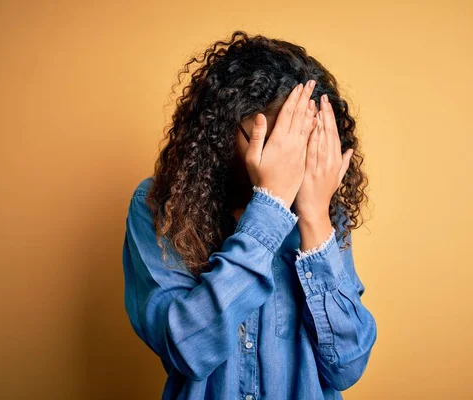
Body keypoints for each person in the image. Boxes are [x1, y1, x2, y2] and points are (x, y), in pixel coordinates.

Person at [122, 30, 377, 400]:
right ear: (224, 130)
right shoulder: (159, 206)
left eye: (304, 143)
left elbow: (346, 367)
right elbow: (189, 350)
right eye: (276, 141)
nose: (290, 159)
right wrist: (270, 207)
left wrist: (315, 217)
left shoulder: (324, 213)